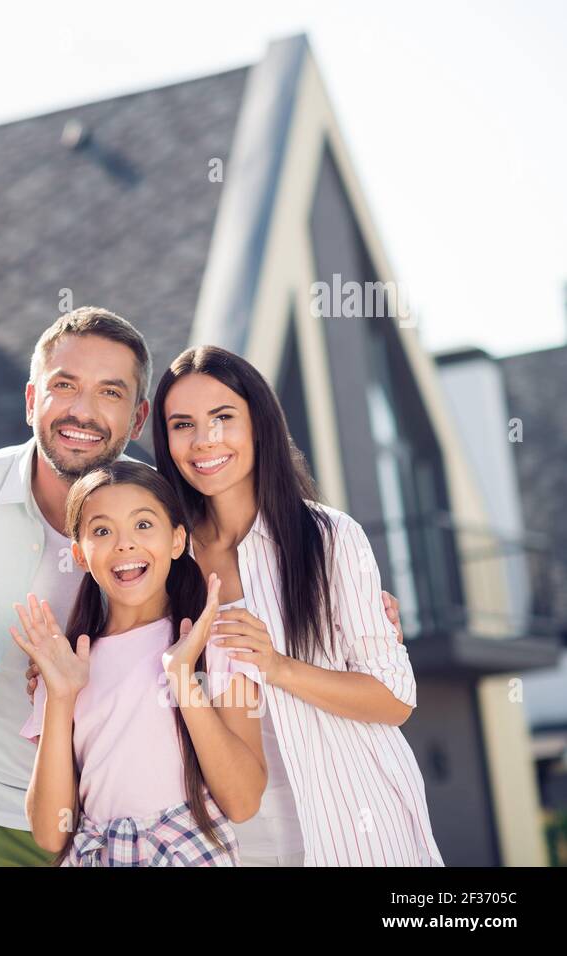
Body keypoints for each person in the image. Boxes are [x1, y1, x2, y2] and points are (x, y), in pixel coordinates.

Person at [0, 307, 402, 867]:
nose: (83, 410)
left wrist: (348, 612)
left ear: (136, 419)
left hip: (126, 826)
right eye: (65, 385)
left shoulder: (165, 525)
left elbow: (250, 605)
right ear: (32, 396)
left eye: (110, 392)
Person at [146, 345, 443, 866]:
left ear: (258, 424)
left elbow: (394, 698)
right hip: (240, 839)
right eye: (182, 424)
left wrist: (279, 667)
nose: (204, 440)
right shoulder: (165, 558)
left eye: (223, 418)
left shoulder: (328, 537)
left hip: (360, 823)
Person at [14, 461, 266, 866]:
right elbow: (49, 832)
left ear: (177, 540)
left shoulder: (215, 640)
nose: (124, 544)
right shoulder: (66, 666)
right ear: (79, 554)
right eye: (101, 531)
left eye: (143, 525)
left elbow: (243, 801)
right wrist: (60, 697)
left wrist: (183, 680)